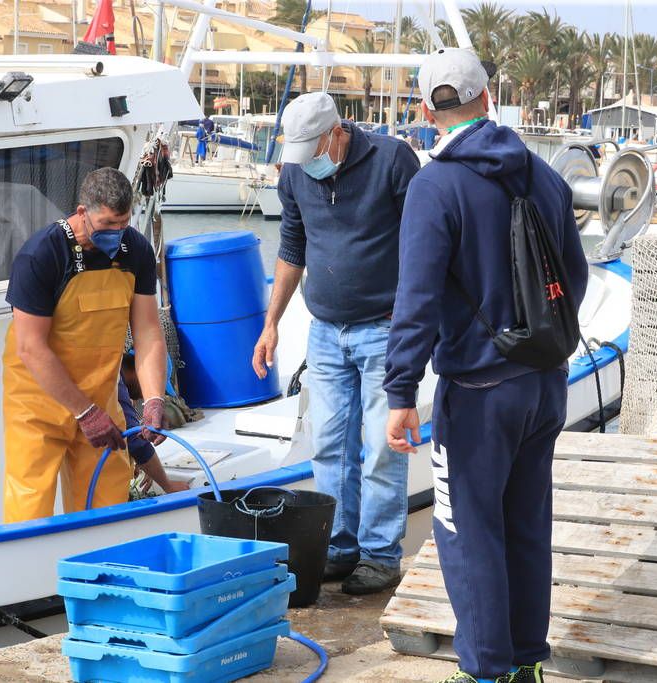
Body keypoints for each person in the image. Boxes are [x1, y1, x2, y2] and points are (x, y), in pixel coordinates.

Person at [383, 49, 589, 683]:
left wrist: (400, 391)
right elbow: (575, 275)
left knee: (468, 534)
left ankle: (486, 672)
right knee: (526, 526)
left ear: (426, 111)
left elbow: (415, 299)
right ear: (489, 98)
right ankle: (524, 662)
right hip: (545, 382)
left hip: (477, 391)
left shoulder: (434, 185)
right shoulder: (544, 174)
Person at [252, 92, 420, 595]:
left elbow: (423, 242)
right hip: (324, 329)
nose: (308, 163)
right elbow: (291, 246)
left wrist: (413, 315)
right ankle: (340, 548)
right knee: (328, 445)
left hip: (384, 327)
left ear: (336, 133)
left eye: (313, 149)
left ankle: (381, 555)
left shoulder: (393, 160)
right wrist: (271, 323)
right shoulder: (295, 174)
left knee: (381, 448)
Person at [1, 167, 170, 523]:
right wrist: (82, 411)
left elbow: (148, 333)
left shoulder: (135, 250)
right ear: (81, 213)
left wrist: (154, 398)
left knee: (107, 505)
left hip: (101, 400)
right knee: (30, 506)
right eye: (107, 224)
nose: (116, 234)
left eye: (122, 223)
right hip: (37, 404)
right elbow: (31, 347)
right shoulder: (41, 256)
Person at [118, 355, 189, 496]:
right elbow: (134, 440)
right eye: (149, 387)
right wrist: (168, 486)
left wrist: (143, 464)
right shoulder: (115, 382)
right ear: (139, 372)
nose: (144, 397)